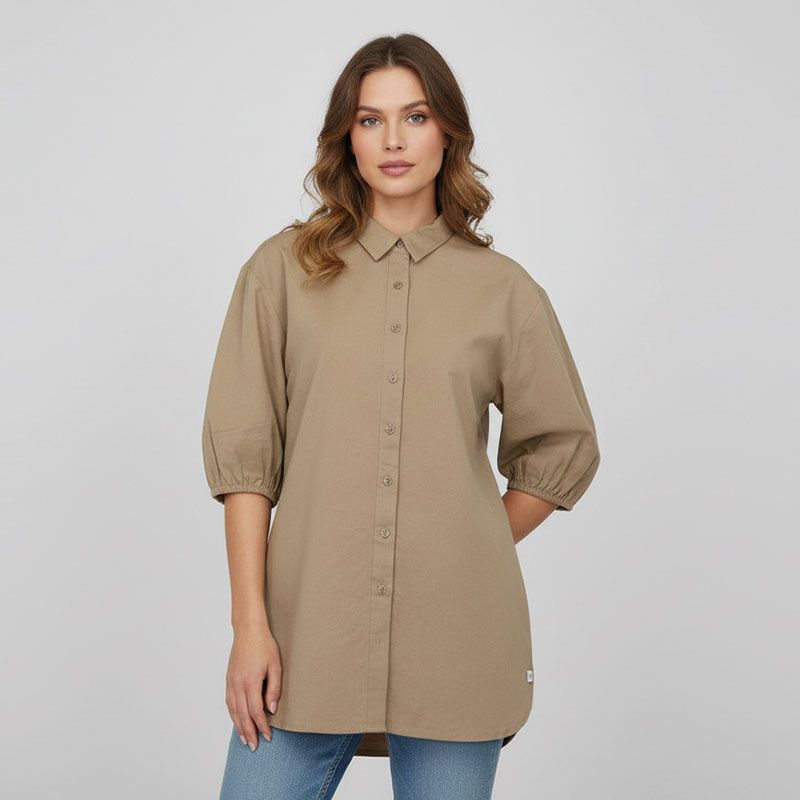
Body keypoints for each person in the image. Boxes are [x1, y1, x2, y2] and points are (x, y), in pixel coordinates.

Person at [201, 33, 601, 800]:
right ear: (346, 138)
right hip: (305, 634)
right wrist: (249, 626)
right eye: (369, 119)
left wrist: (468, 539)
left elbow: (562, 446)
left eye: (414, 117)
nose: (392, 140)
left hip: (457, 639)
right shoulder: (280, 273)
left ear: (447, 131)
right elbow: (246, 460)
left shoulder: (504, 291)